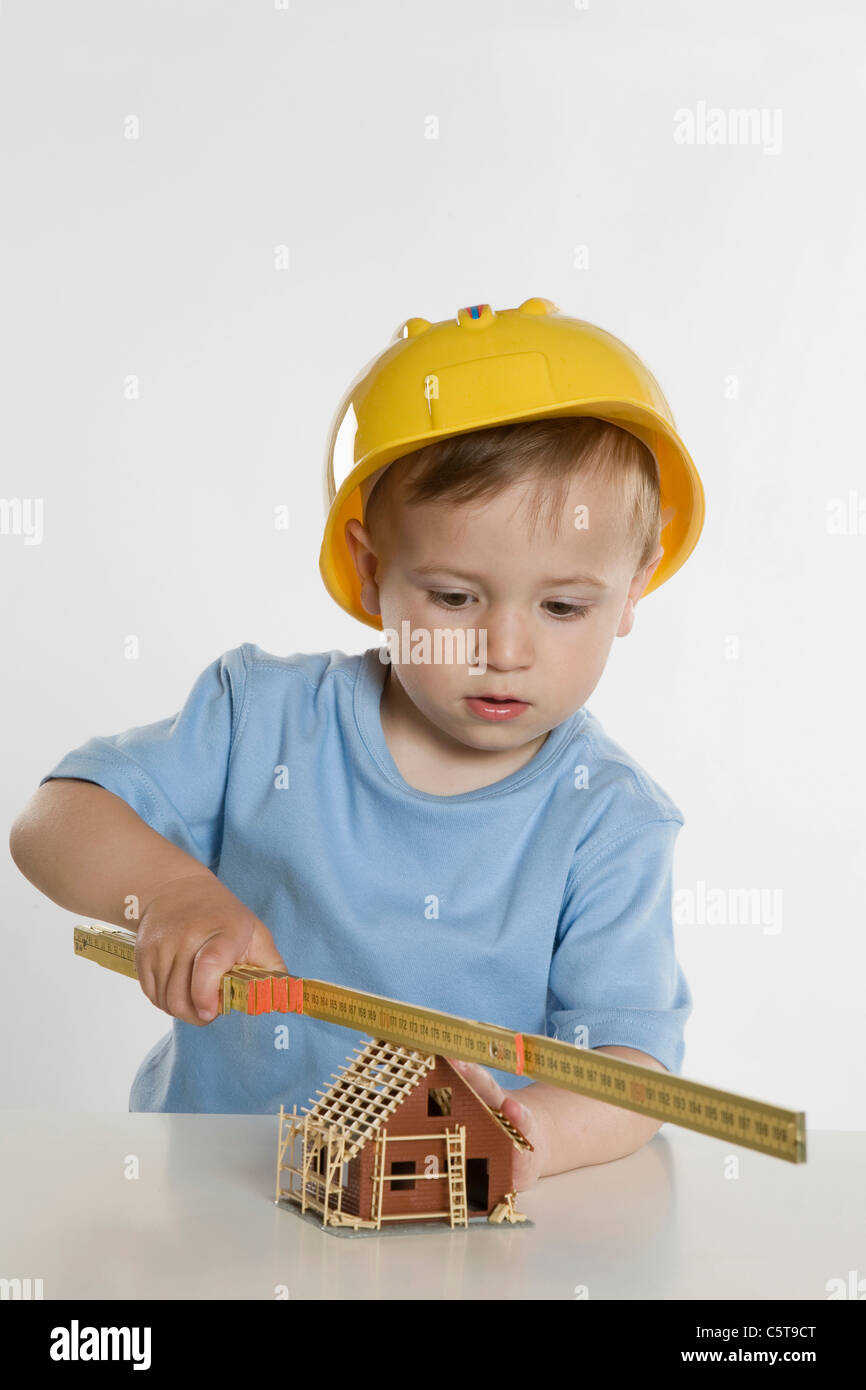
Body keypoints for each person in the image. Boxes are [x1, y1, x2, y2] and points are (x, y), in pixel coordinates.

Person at [9, 298, 705, 1191]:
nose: (505, 648)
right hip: (211, 1189)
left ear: (633, 588)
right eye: (454, 596)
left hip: (442, 1212)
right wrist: (170, 895)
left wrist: (520, 1135)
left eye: (564, 607)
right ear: (373, 569)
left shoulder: (609, 821)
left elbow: (630, 1068)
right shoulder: (262, 715)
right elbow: (54, 818)